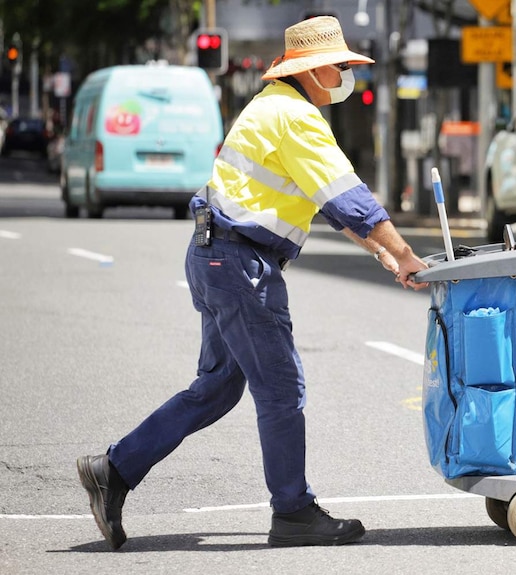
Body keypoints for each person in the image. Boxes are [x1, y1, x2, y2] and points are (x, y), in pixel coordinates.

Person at [76, 15, 429, 551]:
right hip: (240, 265)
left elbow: (327, 202)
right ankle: (292, 512)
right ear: (312, 71)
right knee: (282, 388)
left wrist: (381, 253)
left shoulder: (270, 108)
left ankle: (114, 468)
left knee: (216, 388)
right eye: (339, 66)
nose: (345, 76)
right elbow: (350, 198)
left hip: (215, 255)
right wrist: (406, 254)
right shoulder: (297, 118)